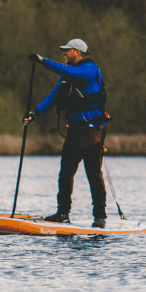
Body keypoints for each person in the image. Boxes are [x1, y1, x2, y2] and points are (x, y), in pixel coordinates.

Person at [24, 38, 110, 227]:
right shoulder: (67, 76)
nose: (64, 53)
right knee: (65, 173)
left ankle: (100, 216)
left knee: (93, 173)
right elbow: (53, 97)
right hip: (74, 130)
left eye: (68, 50)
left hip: (92, 131)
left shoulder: (89, 69)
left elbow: (70, 71)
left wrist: (43, 61)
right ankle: (63, 213)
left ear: (77, 52)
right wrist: (34, 113)